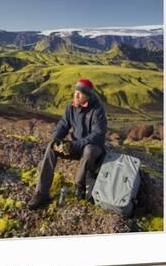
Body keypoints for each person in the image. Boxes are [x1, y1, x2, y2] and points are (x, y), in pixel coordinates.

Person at [27, 78, 107, 210]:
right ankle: (41, 193)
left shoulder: (98, 110)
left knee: (89, 151)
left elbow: (97, 134)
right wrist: (56, 140)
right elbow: (63, 125)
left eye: (79, 93)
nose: (75, 95)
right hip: (75, 147)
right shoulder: (71, 107)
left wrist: (75, 145)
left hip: (93, 148)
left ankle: (79, 185)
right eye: (75, 92)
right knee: (51, 148)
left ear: (87, 95)